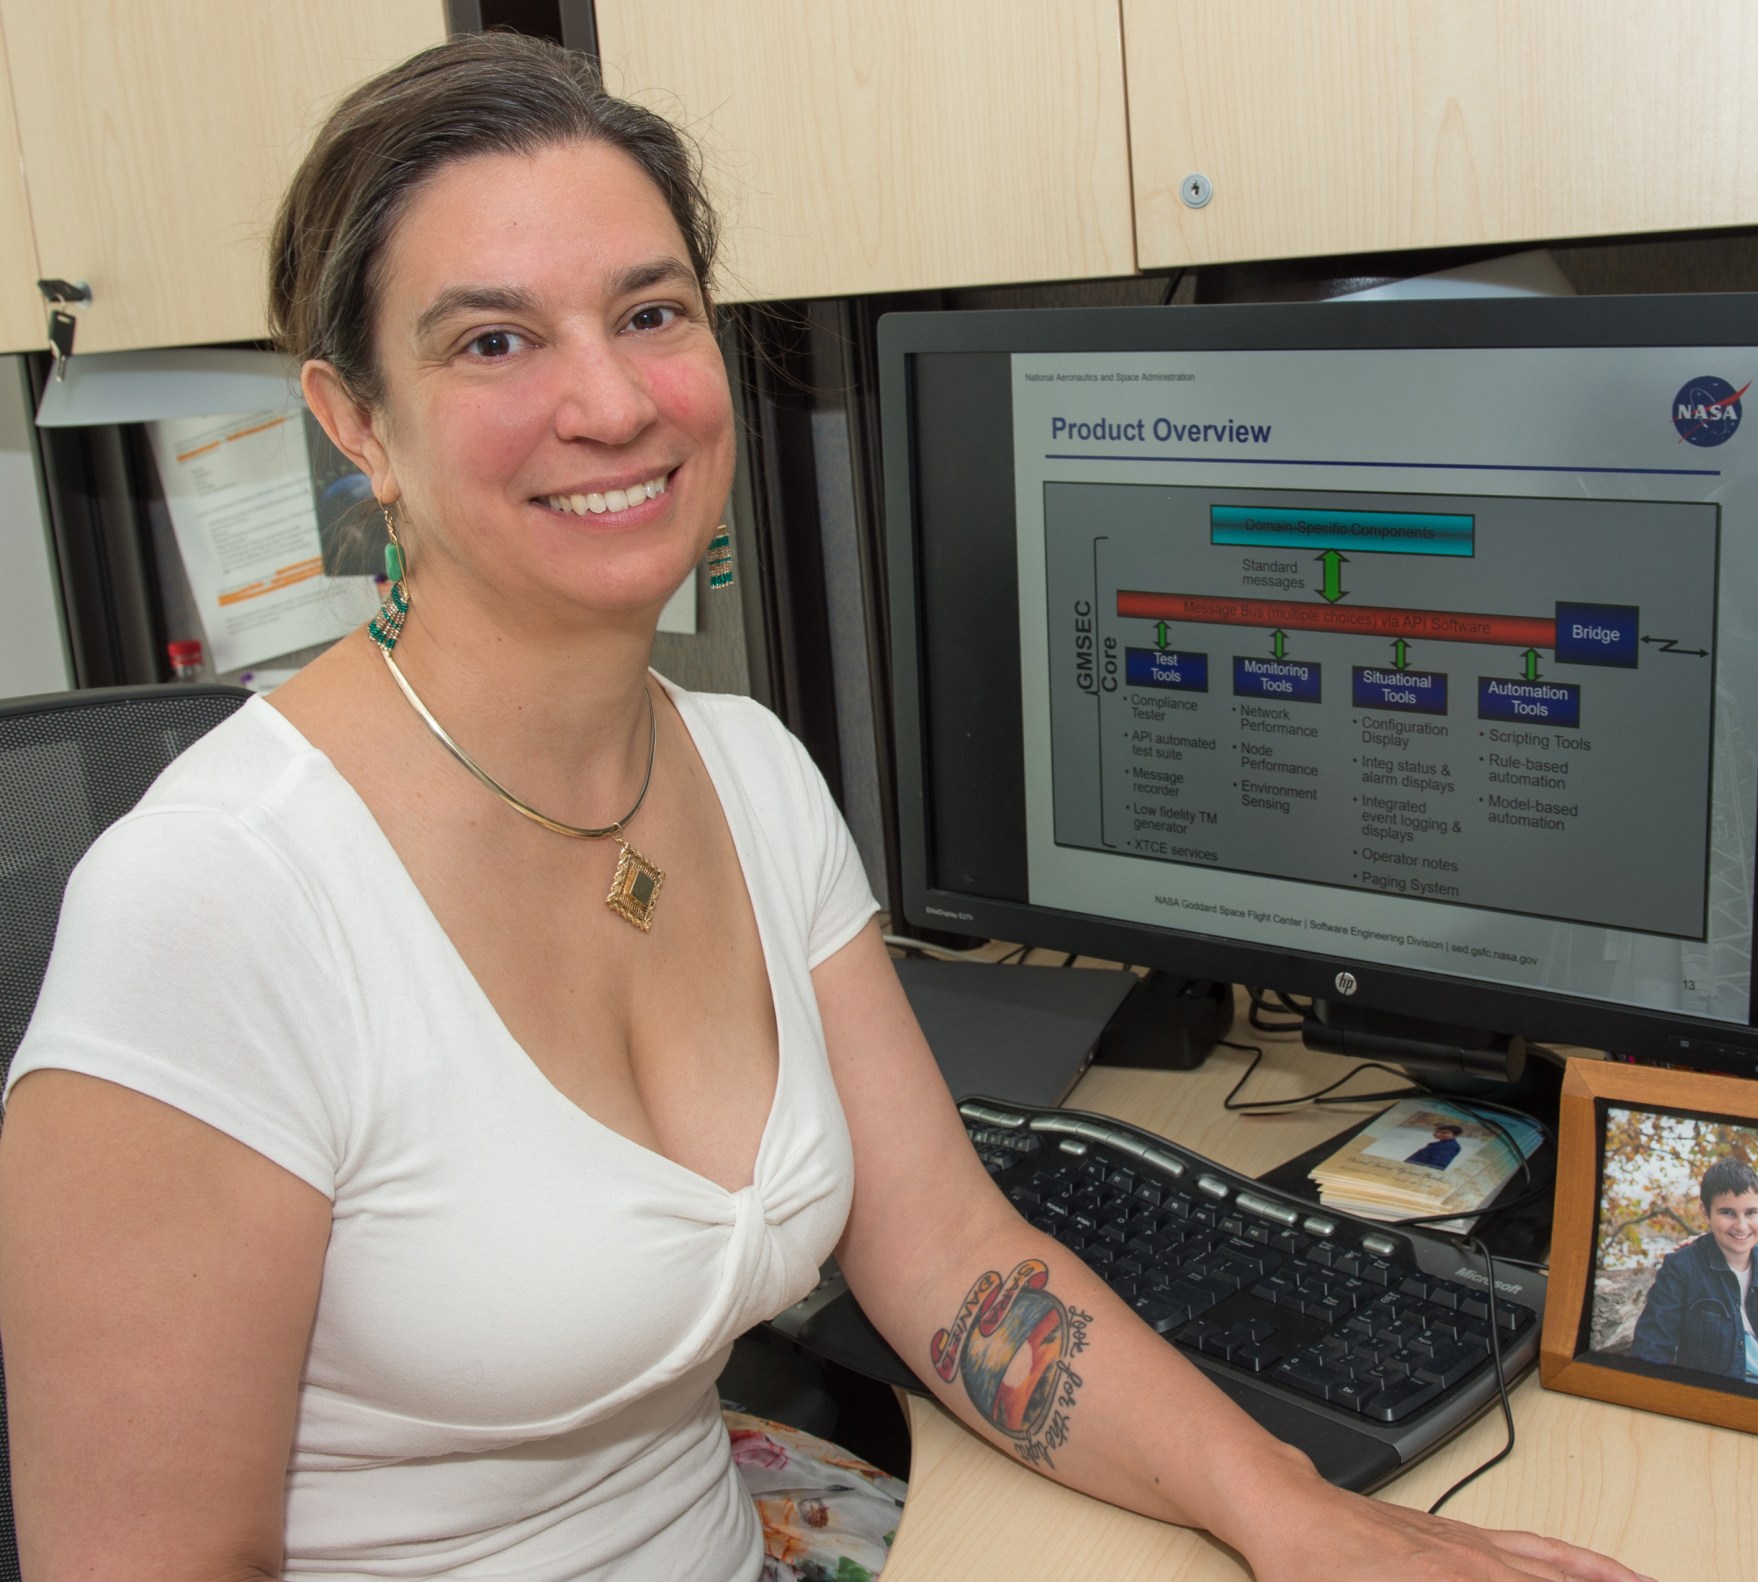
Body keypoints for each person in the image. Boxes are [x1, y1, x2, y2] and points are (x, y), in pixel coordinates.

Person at [0, 33, 1646, 1582]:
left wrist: (1293, 1518)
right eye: (494, 340)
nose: (613, 402)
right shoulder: (216, 903)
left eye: (649, 312)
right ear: (356, 419)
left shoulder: (742, 769)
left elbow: (949, 1264)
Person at [1629, 1157, 1758, 1397]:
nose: (1741, 1225)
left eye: (1751, 1212)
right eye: (1727, 1213)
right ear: (1706, 1212)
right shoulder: (1682, 1268)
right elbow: (1652, 1346)